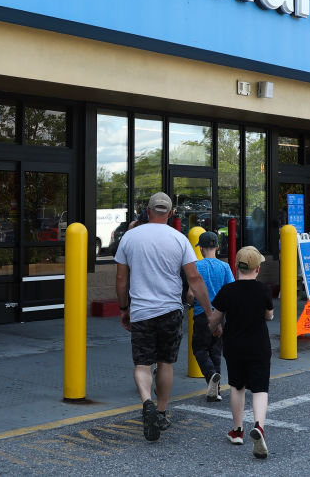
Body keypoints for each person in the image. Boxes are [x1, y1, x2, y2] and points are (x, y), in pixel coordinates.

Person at [115, 192, 221, 442]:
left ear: (147, 210)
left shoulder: (129, 237)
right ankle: (161, 411)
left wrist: (123, 308)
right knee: (165, 363)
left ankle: (146, 403)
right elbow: (194, 279)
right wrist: (209, 312)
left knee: (142, 363)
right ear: (171, 213)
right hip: (171, 310)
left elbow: (121, 278)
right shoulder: (179, 239)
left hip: (141, 310)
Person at [209, 246, 275, 459]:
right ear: (257, 269)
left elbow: (214, 319)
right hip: (259, 345)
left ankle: (237, 431)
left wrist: (215, 328)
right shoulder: (264, 290)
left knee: (237, 386)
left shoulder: (227, 291)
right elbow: (269, 316)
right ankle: (259, 427)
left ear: (236, 266)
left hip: (234, 346)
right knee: (260, 388)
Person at [187, 231, 235, 402]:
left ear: (200, 248)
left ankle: (211, 374)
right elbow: (231, 291)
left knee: (199, 349)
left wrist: (188, 304)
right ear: (217, 247)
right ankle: (216, 391)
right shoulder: (225, 267)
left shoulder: (196, 267)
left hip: (202, 315)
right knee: (215, 351)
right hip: (220, 316)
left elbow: (191, 294)